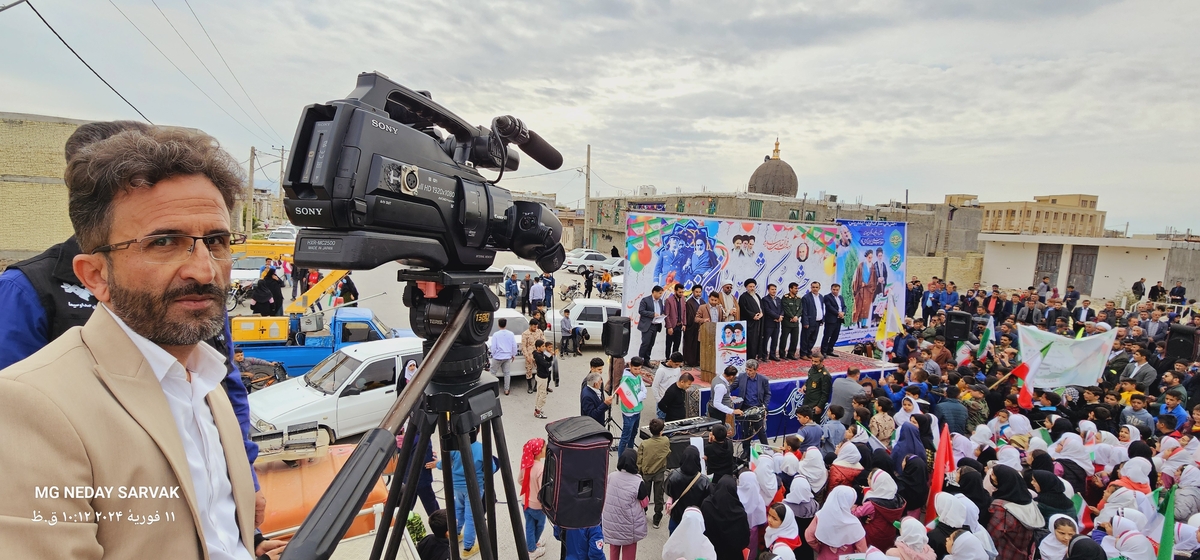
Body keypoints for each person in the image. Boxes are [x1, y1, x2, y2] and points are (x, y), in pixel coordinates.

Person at [0, 125, 285, 559]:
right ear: (95, 275)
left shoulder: (206, 384)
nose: (205, 271)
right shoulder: (29, 406)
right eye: (165, 242)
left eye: (216, 241)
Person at [437, 428, 486, 557]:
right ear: (478, 431)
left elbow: (443, 464)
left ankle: (456, 533)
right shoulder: (481, 449)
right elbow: (491, 468)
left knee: (458, 509)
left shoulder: (455, 447)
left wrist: (436, 464)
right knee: (471, 516)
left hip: (457, 486)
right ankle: (468, 548)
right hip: (474, 488)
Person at [987, 464, 1045, 560]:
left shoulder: (1001, 507)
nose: (991, 477)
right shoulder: (1028, 501)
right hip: (1022, 554)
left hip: (1003, 554)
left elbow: (992, 536)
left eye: (993, 475)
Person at [602, 450, 648, 560]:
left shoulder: (610, 476)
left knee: (614, 550)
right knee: (629, 553)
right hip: (628, 526)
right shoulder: (638, 482)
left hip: (612, 523)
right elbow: (645, 502)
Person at [805, 486, 868, 559]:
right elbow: (862, 551)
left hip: (825, 555)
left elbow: (809, 537)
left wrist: (819, 549)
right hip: (846, 556)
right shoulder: (855, 524)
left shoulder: (821, 515)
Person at [700, 475, 751, 560]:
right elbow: (745, 541)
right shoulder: (739, 513)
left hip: (711, 553)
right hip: (733, 556)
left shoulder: (707, 505)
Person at [732, 359, 771, 457]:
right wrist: (726, 394)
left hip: (757, 408)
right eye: (747, 370)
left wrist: (764, 406)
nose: (748, 372)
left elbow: (767, 394)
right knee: (745, 431)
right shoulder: (741, 377)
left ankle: (766, 450)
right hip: (744, 408)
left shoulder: (763, 380)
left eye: (750, 370)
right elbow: (731, 387)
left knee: (761, 431)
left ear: (756, 370)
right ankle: (746, 451)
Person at [665, 447, 710, 533]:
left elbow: (668, 490)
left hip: (676, 518)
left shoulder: (673, 475)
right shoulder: (704, 481)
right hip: (695, 520)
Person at [637, 418, 670, 529]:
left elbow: (639, 460)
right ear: (661, 431)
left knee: (644, 494)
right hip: (660, 472)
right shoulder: (665, 440)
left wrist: (640, 470)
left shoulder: (644, 443)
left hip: (646, 473)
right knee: (659, 496)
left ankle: (643, 512)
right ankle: (657, 518)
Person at [519, 438, 549, 560]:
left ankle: (530, 547)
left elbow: (520, 480)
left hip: (525, 501)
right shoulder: (541, 469)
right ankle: (533, 546)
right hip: (537, 505)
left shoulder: (526, 463)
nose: (545, 448)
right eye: (543, 447)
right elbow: (543, 489)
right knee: (540, 525)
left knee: (529, 525)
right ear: (538, 452)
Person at [616, 357, 648, 458]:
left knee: (633, 434)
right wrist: (639, 396)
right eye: (635, 369)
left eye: (639, 369)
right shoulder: (626, 380)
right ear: (630, 366)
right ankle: (621, 460)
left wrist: (638, 397)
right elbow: (631, 400)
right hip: (629, 413)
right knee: (625, 437)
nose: (638, 372)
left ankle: (630, 456)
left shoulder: (638, 376)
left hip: (637, 411)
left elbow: (644, 391)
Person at [650, 352, 684, 418]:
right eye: (676, 364)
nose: (677, 366)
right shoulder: (661, 371)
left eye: (679, 365)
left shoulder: (677, 369)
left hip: (673, 401)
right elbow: (655, 386)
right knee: (661, 420)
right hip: (663, 400)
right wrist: (659, 401)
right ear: (670, 361)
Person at [637, 286, 666, 362]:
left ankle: (647, 360)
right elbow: (641, 311)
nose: (660, 295)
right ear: (654, 292)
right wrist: (652, 314)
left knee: (651, 344)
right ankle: (640, 360)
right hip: (647, 325)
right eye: (659, 293)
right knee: (645, 343)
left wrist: (662, 315)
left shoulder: (660, 301)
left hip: (655, 325)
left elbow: (660, 311)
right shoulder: (645, 300)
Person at [739, 278, 765, 361]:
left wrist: (761, 314)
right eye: (750, 286)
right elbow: (743, 309)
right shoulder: (743, 297)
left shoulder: (757, 296)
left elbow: (761, 307)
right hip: (749, 323)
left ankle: (756, 356)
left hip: (758, 321)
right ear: (746, 287)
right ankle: (750, 358)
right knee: (750, 340)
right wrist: (753, 316)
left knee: (757, 339)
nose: (752, 288)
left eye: (753, 286)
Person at [491, 318, 517, 395]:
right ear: (506, 324)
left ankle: (493, 389)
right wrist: (513, 354)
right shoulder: (511, 334)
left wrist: (493, 354)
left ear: (498, 325)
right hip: (507, 356)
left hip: (497, 356)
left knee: (493, 373)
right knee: (507, 373)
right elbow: (514, 345)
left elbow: (493, 347)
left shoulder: (495, 334)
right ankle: (506, 390)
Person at [821, 283, 847, 357]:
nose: (835, 291)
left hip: (839, 320)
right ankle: (823, 351)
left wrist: (843, 313)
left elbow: (844, 306)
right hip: (830, 320)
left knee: (835, 336)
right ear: (831, 289)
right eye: (834, 289)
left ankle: (830, 350)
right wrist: (838, 313)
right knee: (827, 336)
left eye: (837, 290)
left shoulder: (841, 297)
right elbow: (829, 307)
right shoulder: (827, 297)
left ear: (839, 290)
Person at [800, 281, 824, 359]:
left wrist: (822, 320)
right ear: (811, 288)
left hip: (817, 322)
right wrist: (805, 322)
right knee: (805, 338)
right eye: (813, 287)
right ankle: (803, 354)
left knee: (813, 338)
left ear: (819, 288)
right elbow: (804, 311)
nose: (815, 289)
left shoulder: (821, 297)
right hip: (809, 322)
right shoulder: (806, 297)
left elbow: (821, 309)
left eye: (816, 287)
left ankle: (808, 352)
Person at [664, 283, 688, 358]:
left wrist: (684, 324)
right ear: (675, 291)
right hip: (672, 326)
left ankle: (674, 359)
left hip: (679, 326)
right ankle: (667, 359)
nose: (681, 294)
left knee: (677, 344)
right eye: (679, 292)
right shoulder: (669, 300)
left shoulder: (683, 299)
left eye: (682, 292)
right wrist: (669, 327)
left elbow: (684, 312)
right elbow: (666, 315)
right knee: (669, 344)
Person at [761, 283, 783, 361]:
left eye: (775, 289)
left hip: (777, 323)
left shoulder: (778, 299)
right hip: (769, 323)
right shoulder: (765, 299)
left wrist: (780, 316)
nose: (774, 291)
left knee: (775, 340)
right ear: (768, 290)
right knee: (765, 340)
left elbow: (782, 309)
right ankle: (764, 356)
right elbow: (767, 310)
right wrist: (777, 317)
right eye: (772, 289)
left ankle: (772, 355)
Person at [683, 285, 704, 367]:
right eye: (696, 292)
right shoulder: (689, 302)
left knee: (699, 344)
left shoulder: (703, 302)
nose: (698, 294)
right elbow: (689, 316)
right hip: (691, 327)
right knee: (691, 344)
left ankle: (698, 360)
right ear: (693, 292)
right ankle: (690, 361)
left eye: (699, 292)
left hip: (701, 327)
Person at [521, 320, 544, 394]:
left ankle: (536, 386)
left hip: (538, 354)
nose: (535, 328)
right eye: (534, 326)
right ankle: (529, 386)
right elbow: (523, 346)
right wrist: (527, 356)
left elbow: (543, 340)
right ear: (530, 325)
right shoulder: (525, 334)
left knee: (539, 370)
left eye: (536, 326)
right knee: (529, 371)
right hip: (530, 355)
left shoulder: (539, 331)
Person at [532, 340, 554, 419]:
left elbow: (547, 360)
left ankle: (537, 408)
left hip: (541, 376)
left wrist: (551, 356)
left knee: (539, 393)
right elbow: (546, 364)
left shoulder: (540, 354)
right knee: (542, 395)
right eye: (543, 346)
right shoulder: (539, 356)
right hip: (542, 377)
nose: (544, 348)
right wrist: (552, 361)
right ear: (538, 348)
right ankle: (538, 411)